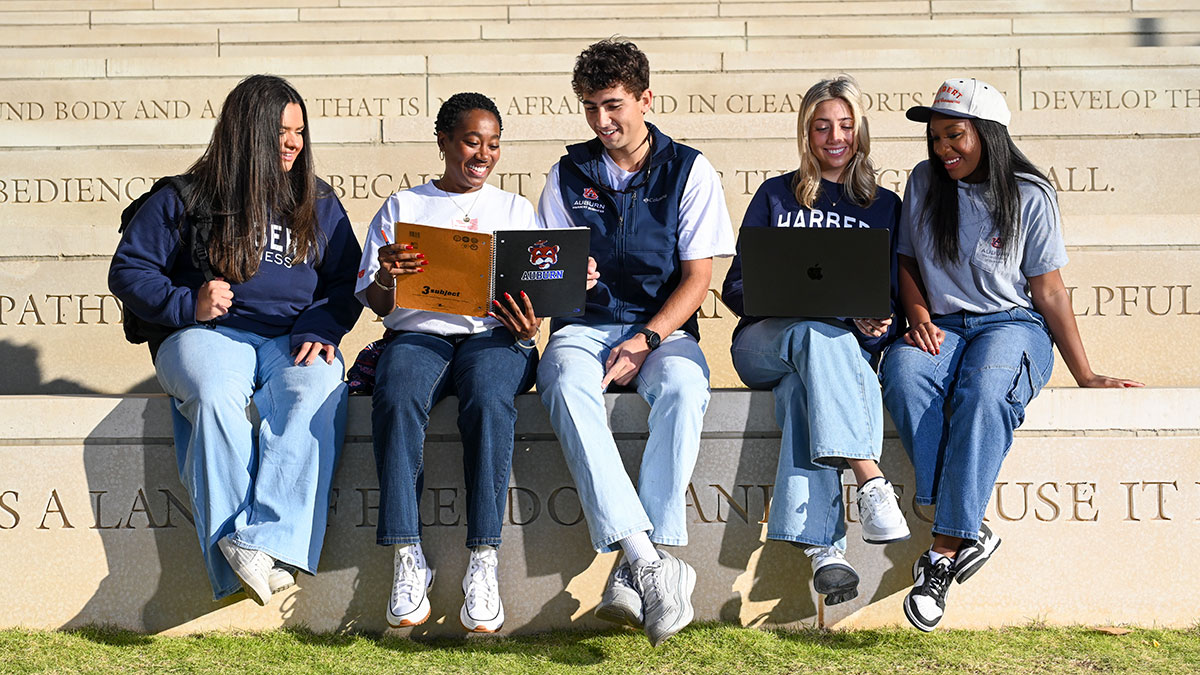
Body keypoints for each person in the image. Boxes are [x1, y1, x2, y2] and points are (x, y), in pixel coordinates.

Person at [880, 77, 1143, 632]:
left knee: (984, 392)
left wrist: (1086, 374)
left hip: (1011, 324)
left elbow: (1048, 290)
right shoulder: (925, 182)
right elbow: (905, 261)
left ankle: (943, 553)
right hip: (943, 324)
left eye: (955, 136)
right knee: (903, 374)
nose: (942, 149)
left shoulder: (1029, 193)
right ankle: (969, 522)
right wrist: (920, 315)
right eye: (935, 138)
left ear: (990, 135)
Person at [108, 74, 363, 605]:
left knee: (317, 388)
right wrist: (188, 303)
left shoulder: (316, 198)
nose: (294, 142)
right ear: (248, 133)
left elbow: (346, 279)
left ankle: (262, 543)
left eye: (299, 131)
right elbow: (130, 270)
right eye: (281, 132)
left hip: (290, 338)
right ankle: (237, 558)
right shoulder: (187, 195)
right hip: (209, 334)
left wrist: (323, 325)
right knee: (215, 392)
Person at [536, 39, 736, 647]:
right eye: (591, 107)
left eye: (614, 105)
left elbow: (699, 279)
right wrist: (569, 280)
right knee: (565, 381)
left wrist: (647, 340)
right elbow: (544, 275)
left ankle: (633, 569)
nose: (602, 121)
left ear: (647, 99)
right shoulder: (566, 173)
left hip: (661, 326)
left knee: (683, 384)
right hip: (585, 325)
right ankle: (649, 558)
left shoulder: (690, 169)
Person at [356, 93, 547, 633]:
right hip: (420, 335)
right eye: (470, 141)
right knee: (396, 392)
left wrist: (530, 323)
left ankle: (483, 560)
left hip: (493, 337)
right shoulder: (403, 207)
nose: (482, 153)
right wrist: (388, 277)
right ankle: (407, 555)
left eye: (492, 143)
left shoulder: (514, 210)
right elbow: (376, 303)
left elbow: (535, 296)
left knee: (489, 399)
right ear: (443, 141)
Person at [720, 75, 910, 608]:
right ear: (806, 132)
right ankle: (870, 480)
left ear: (860, 131)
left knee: (804, 390)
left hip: (830, 360)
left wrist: (881, 324)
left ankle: (825, 552)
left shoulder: (883, 206)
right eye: (822, 126)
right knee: (813, 331)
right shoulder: (777, 195)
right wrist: (812, 303)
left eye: (845, 126)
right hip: (764, 344)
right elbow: (736, 287)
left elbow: (889, 302)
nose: (834, 137)